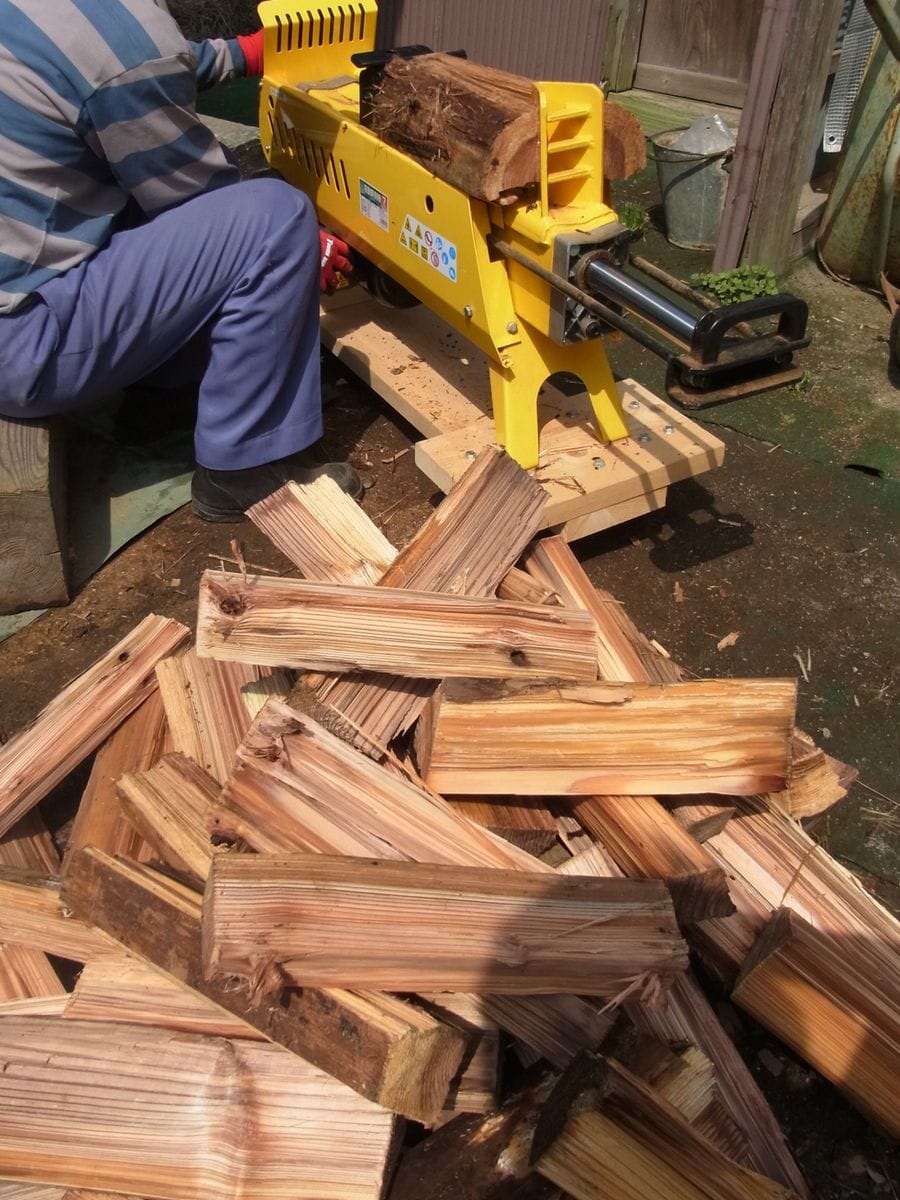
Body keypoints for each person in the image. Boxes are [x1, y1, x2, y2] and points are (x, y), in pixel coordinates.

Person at [0, 0, 358, 521]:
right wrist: (308, 246)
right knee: (275, 220)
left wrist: (244, 53)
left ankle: (161, 392)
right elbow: (200, 198)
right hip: (22, 344)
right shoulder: (123, 41)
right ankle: (244, 467)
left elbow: (112, 62)